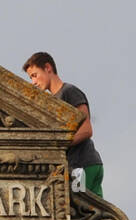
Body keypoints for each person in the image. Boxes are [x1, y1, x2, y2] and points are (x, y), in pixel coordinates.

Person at [23, 52, 104, 197]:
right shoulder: (53, 101)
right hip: (77, 166)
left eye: (35, 75)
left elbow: (86, 130)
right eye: (30, 78)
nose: (33, 82)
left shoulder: (69, 92)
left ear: (48, 68)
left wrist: (58, 145)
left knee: (81, 212)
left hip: (83, 164)